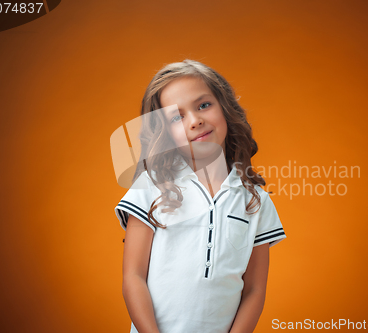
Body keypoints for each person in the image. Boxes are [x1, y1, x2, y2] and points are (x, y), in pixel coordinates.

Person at [114, 59, 286, 333]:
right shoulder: (151, 186)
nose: (195, 121)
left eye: (203, 105)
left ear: (225, 108)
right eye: (176, 117)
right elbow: (133, 277)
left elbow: (254, 289)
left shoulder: (256, 202)